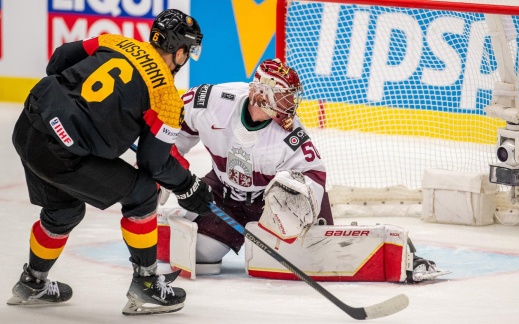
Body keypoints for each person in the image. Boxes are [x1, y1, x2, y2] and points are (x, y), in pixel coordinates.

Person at [160, 58, 444, 283]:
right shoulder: (212, 100)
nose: (290, 106)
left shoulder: (292, 136)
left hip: (270, 202)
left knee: (320, 258)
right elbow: (177, 126)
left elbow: (315, 174)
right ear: (261, 95)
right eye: (284, 98)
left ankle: (406, 253)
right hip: (225, 193)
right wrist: (166, 165)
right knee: (202, 255)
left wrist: (297, 205)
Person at [8, 9, 214, 315]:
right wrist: (188, 186)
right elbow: (153, 165)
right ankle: (146, 287)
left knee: (64, 210)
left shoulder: (116, 42)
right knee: (143, 193)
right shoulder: (166, 97)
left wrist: (72, 107)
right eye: (189, 51)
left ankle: (32, 282)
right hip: (61, 154)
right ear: (180, 50)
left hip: (29, 127)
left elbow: (59, 59)